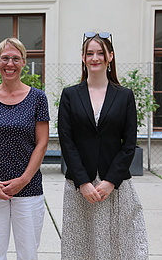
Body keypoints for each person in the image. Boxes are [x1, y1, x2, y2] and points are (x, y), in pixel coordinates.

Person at [58, 32, 148, 259]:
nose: (95, 58)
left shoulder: (124, 95)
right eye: (90, 53)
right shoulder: (70, 95)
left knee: (119, 246)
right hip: (81, 186)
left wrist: (110, 182)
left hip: (114, 185)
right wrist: (83, 182)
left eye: (100, 53)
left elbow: (129, 144)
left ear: (110, 57)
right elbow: (67, 142)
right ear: (83, 57)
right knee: (80, 247)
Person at [0, 37, 50, 260]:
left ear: (24, 62)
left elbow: (42, 143)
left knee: (27, 253)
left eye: (16, 59)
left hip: (28, 189)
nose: (10, 63)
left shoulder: (38, 98)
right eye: (5, 58)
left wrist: (23, 180)